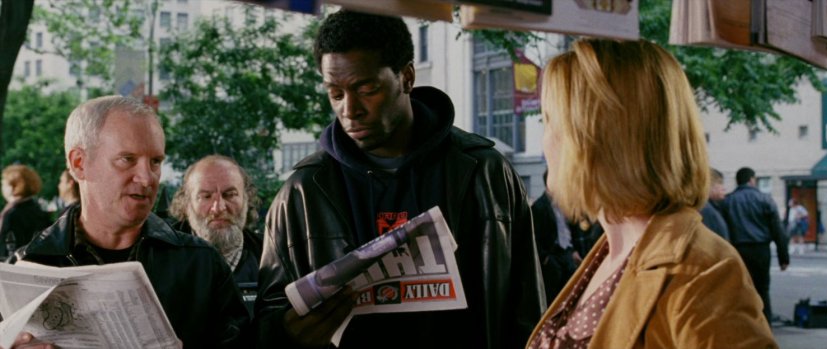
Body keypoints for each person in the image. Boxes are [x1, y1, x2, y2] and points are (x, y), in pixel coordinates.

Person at [255, 10, 544, 349]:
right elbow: (267, 318)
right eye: (335, 93)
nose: (350, 109)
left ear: (407, 77)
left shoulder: (484, 171)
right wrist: (287, 332)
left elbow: (528, 310)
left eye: (366, 89)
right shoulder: (302, 192)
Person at [528, 39, 775, 348]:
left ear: (596, 139)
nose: (545, 141)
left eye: (550, 121)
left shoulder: (702, 272)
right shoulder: (610, 250)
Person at [6, 96, 250, 349]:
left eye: (155, 162)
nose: (147, 178)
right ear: (79, 164)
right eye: (128, 159)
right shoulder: (28, 267)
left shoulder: (201, 265)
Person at [168, 155, 263, 284]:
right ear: (186, 204)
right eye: (206, 196)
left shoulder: (272, 256)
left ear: (247, 199)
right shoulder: (161, 257)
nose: (218, 208)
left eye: (230, 195)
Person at [722, 166, 789, 323]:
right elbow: (778, 231)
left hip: (737, 250)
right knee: (762, 290)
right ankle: (764, 327)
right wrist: (783, 257)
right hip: (761, 250)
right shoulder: (765, 199)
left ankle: (742, 326)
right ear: (752, 180)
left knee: (739, 290)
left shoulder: (728, 201)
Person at [532, 169, 581, 298]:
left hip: (568, 254)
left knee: (571, 294)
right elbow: (535, 238)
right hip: (552, 258)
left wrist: (574, 250)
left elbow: (571, 229)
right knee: (553, 297)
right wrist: (545, 259)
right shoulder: (538, 206)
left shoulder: (564, 203)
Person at [0, 164, 51, 259]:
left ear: (14, 186)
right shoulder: (39, 210)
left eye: (4, 184)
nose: (2, 187)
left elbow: (8, 252)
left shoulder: (12, 214)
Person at [700, 168, 730, 240]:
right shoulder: (705, 209)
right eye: (720, 183)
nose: (724, 188)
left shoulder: (710, 207)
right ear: (708, 185)